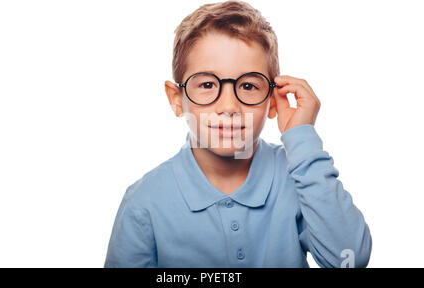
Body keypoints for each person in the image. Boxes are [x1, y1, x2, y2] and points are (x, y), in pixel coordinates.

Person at [104, 0, 372, 268]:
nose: (229, 106)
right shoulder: (145, 201)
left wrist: (301, 137)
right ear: (177, 99)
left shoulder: (298, 177)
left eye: (248, 85)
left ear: (272, 100)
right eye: (208, 84)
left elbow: (349, 260)